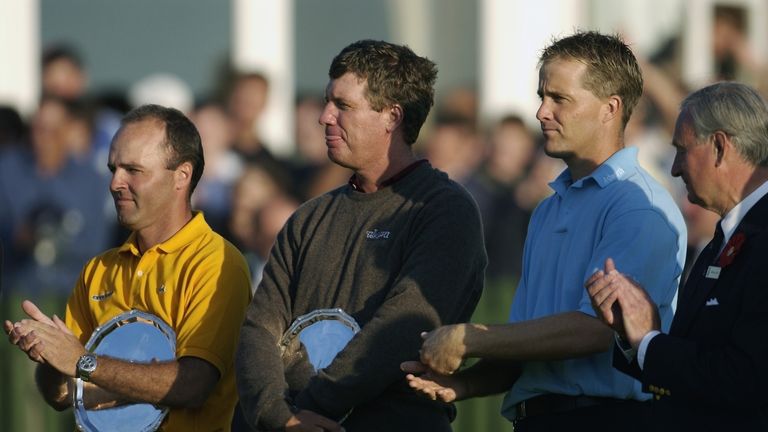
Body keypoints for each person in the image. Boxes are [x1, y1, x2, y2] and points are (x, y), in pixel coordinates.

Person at [403, 30, 687, 431]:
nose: (541, 112)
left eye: (559, 99)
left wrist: (470, 339)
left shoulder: (638, 206)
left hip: (606, 419)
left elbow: (596, 331)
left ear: (610, 108)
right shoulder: (549, 208)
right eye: (542, 96)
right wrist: (464, 384)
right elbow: (528, 346)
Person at [235, 39, 486, 432]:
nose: (324, 117)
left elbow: (402, 327)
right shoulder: (308, 218)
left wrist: (312, 408)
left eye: (343, 106)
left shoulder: (443, 211)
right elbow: (258, 331)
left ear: (392, 116)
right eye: (327, 102)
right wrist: (277, 415)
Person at [4, 104, 252, 431]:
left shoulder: (217, 263)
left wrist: (82, 362)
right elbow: (64, 395)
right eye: (113, 169)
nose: (115, 182)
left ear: (182, 175)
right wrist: (51, 357)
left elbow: (192, 385)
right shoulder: (98, 270)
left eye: (133, 170)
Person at [586, 82, 768, 430]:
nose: (675, 168)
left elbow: (746, 377)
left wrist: (648, 343)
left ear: (718, 146)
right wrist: (632, 332)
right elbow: (697, 361)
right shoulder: (722, 241)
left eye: (682, 151)